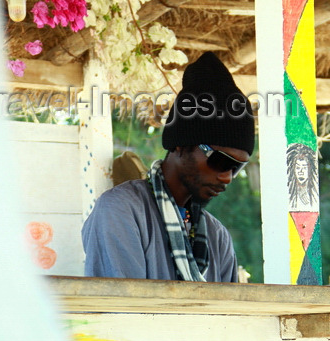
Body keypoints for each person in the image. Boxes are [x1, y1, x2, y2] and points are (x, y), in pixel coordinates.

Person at [82, 51, 255, 282]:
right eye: (221, 161)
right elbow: (122, 311)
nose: (227, 177)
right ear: (181, 145)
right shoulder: (120, 211)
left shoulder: (217, 236)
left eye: (237, 167)